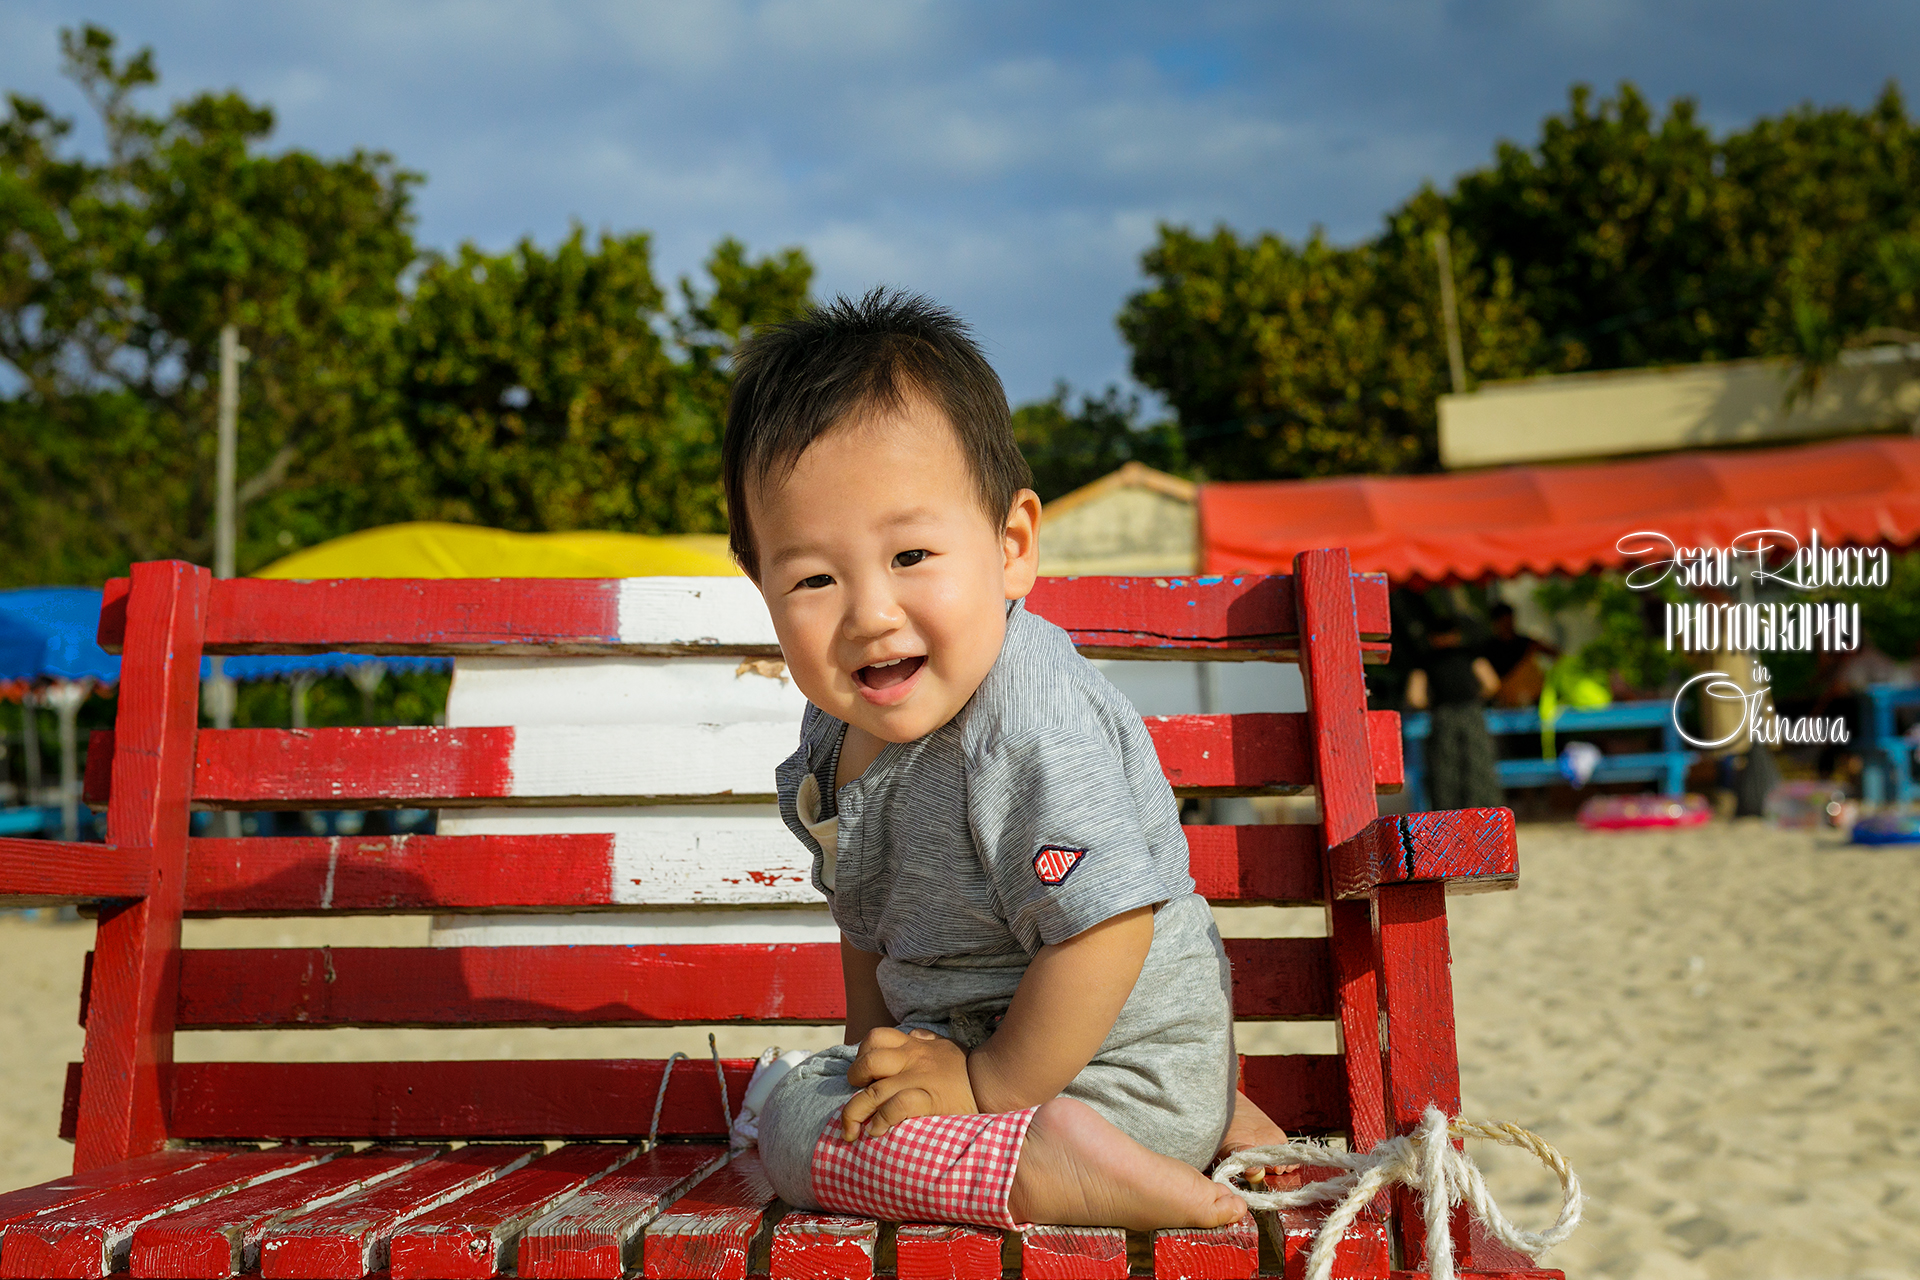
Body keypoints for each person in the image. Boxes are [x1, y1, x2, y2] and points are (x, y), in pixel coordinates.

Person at [723, 289, 1274, 1232]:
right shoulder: (831, 742)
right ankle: (1137, 1130)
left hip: (1107, 1077)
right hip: (980, 1058)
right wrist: (876, 1056)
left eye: (912, 554)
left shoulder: (1030, 726)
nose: (869, 613)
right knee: (816, 1097)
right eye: (814, 577)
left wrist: (984, 1085)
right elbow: (867, 917)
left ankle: (1065, 1168)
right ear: (763, 589)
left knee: (784, 1135)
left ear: (1012, 548)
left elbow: (1104, 930)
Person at [1406, 619, 1503, 810]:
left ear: (1432, 638)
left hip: (1443, 716)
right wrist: (1475, 699)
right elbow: (1492, 684)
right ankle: (1484, 813)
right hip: (1472, 713)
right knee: (1478, 765)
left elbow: (1415, 697)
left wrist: (1432, 706)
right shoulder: (1470, 654)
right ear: (1456, 635)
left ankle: (1448, 815)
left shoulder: (1425, 660)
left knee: (1445, 769)